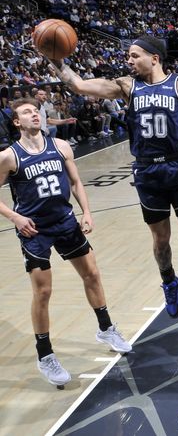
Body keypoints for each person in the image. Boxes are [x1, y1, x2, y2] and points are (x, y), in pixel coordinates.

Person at [48, 35, 178, 322]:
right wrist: (56, 61)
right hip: (147, 171)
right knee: (160, 239)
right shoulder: (127, 86)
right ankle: (170, 283)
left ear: (154, 57)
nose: (128, 60)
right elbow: (78, 85)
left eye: (134, 55)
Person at [0, 98, 131, 387]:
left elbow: (75, 183)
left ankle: (106, 328)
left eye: (36, 110)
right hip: (35, 230)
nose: (34, 114)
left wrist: (86, 211)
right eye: (26, 112)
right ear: (16, 122)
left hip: (65, 221)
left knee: (92, 274)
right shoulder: (9, 156)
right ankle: (45, 354)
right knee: (43, 292)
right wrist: (15, 218)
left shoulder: (60, 146)